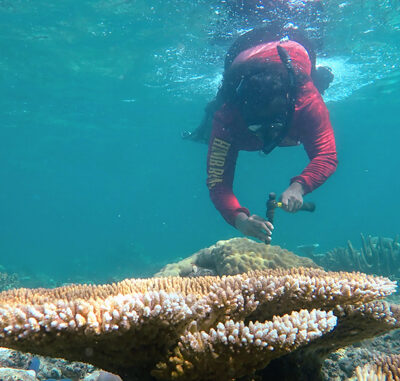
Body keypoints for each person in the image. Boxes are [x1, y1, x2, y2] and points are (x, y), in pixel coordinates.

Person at [186, 27, 337, 243]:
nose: (267, 138)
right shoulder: (227, 118)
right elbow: (217, 182)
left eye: (274, 128)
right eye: (257, 129)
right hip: (241, 54)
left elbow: (327, 155)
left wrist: (299, 187)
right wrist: (240, 219)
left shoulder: (306, 101)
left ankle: (318, 75)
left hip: (296, 49)